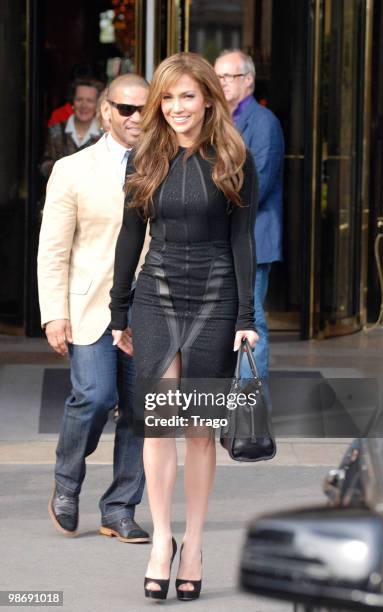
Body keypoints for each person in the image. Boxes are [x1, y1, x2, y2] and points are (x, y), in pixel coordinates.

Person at [109, 52, 258, 601]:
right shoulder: (143, 156)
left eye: (186, 96)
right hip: (157, 292)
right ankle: (162, 540)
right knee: (157, 422)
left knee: (197, 428)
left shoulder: (233, 155)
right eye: (166, 98)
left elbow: (244, 239)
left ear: (208, 100)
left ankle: (194, 542)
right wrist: (117, 309)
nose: (175, 108)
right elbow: (130, 236)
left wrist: (247, 317)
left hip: (217, 295)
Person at [37, 73, 150, 543]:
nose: (137, 118)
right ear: (106, 111)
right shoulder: (73, 169)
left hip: (150, 309)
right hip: (90, 309)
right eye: (127, 109)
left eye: (146, 108)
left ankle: (120, 507)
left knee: (142, 411)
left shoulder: (166, 165)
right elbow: (54, 249)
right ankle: (66, 481)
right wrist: (53, 312)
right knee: (96, 397)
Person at [214, 49, 284, 384]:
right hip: (223, 238)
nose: (222, 82)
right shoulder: (217, 119)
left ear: (249, 81)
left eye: (229, 76)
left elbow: (261, 185)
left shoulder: (263, 123)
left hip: (253, 238)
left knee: (251, 321)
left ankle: (249, 401)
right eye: (219, 76)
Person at [40, 77, 104, 178]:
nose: (84, 105)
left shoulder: (104, 136)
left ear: (97, 104)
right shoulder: (56, 132)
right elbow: (44, 165)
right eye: (79, 99)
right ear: (72, 102)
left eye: (89, 101)